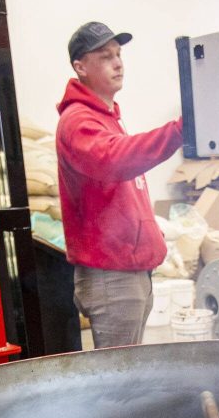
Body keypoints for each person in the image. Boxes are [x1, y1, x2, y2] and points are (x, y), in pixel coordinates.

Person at [56, 22, 183, 348]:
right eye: (105, 56)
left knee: (130, 375)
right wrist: (180, 131)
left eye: (118, 54)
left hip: (130, 273)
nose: (118, 63)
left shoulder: (106, 118)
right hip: (112, 278)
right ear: (80, 67)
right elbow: (115, 159)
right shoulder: (78, 122)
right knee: (121, 386)